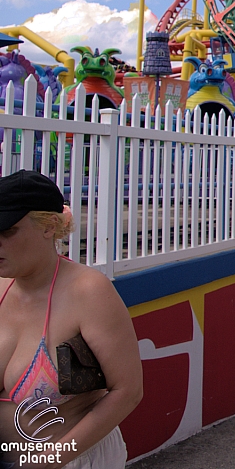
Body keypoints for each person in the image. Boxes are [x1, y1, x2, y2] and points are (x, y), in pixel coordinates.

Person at [0, 170, 143, 468]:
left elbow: (127, 391)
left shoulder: (88, 291)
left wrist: (50, 460)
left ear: (49, 226)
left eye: (8, 231)